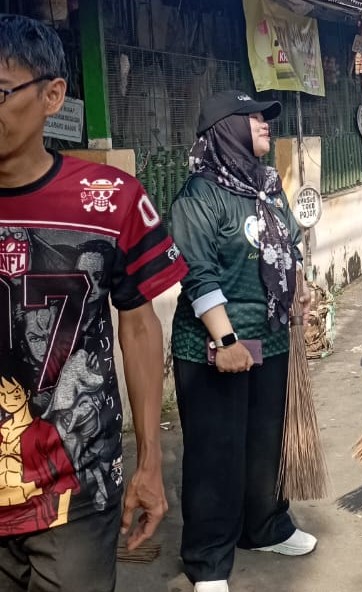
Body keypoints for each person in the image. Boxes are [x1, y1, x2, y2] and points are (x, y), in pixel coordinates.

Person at [0, 14, 186, 591]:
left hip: (73, 484)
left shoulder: (109, 202)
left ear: (53, 95)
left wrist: (150, 460)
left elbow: (138, 326)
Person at [168, 91, 315, 592]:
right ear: (225, 128)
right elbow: (196, 272)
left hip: (270, 342)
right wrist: (225, 338)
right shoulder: (198, 196)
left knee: (262, 444)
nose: (265, 125)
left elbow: (289, 244)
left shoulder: (268, 186)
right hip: (214, 348)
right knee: (216, 453)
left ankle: (265, 526)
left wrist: (302, 289)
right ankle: (208, 558)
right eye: (254, 117)